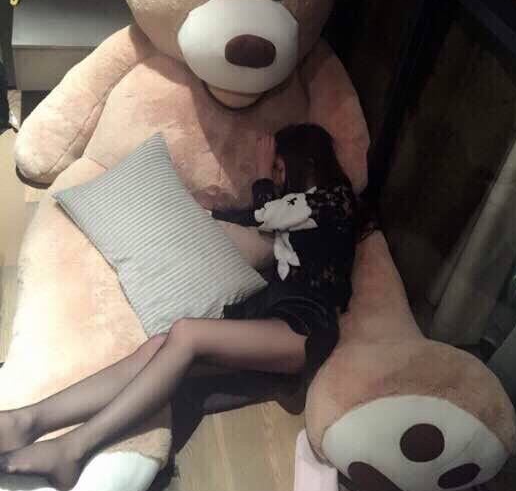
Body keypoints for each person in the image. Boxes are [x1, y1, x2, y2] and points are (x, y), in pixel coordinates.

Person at [0, 123, 358, 490]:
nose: (278, 179)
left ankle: (71, 449)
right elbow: (253, 218)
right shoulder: (300, 209)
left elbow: (264, 214)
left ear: (307, 162)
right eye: (276, 171)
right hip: (274, 315)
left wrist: (263, 171)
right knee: (158, 346)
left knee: (187, 332)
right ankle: (27, 421)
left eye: (281, 168)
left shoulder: (336, 198)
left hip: (306, 327)